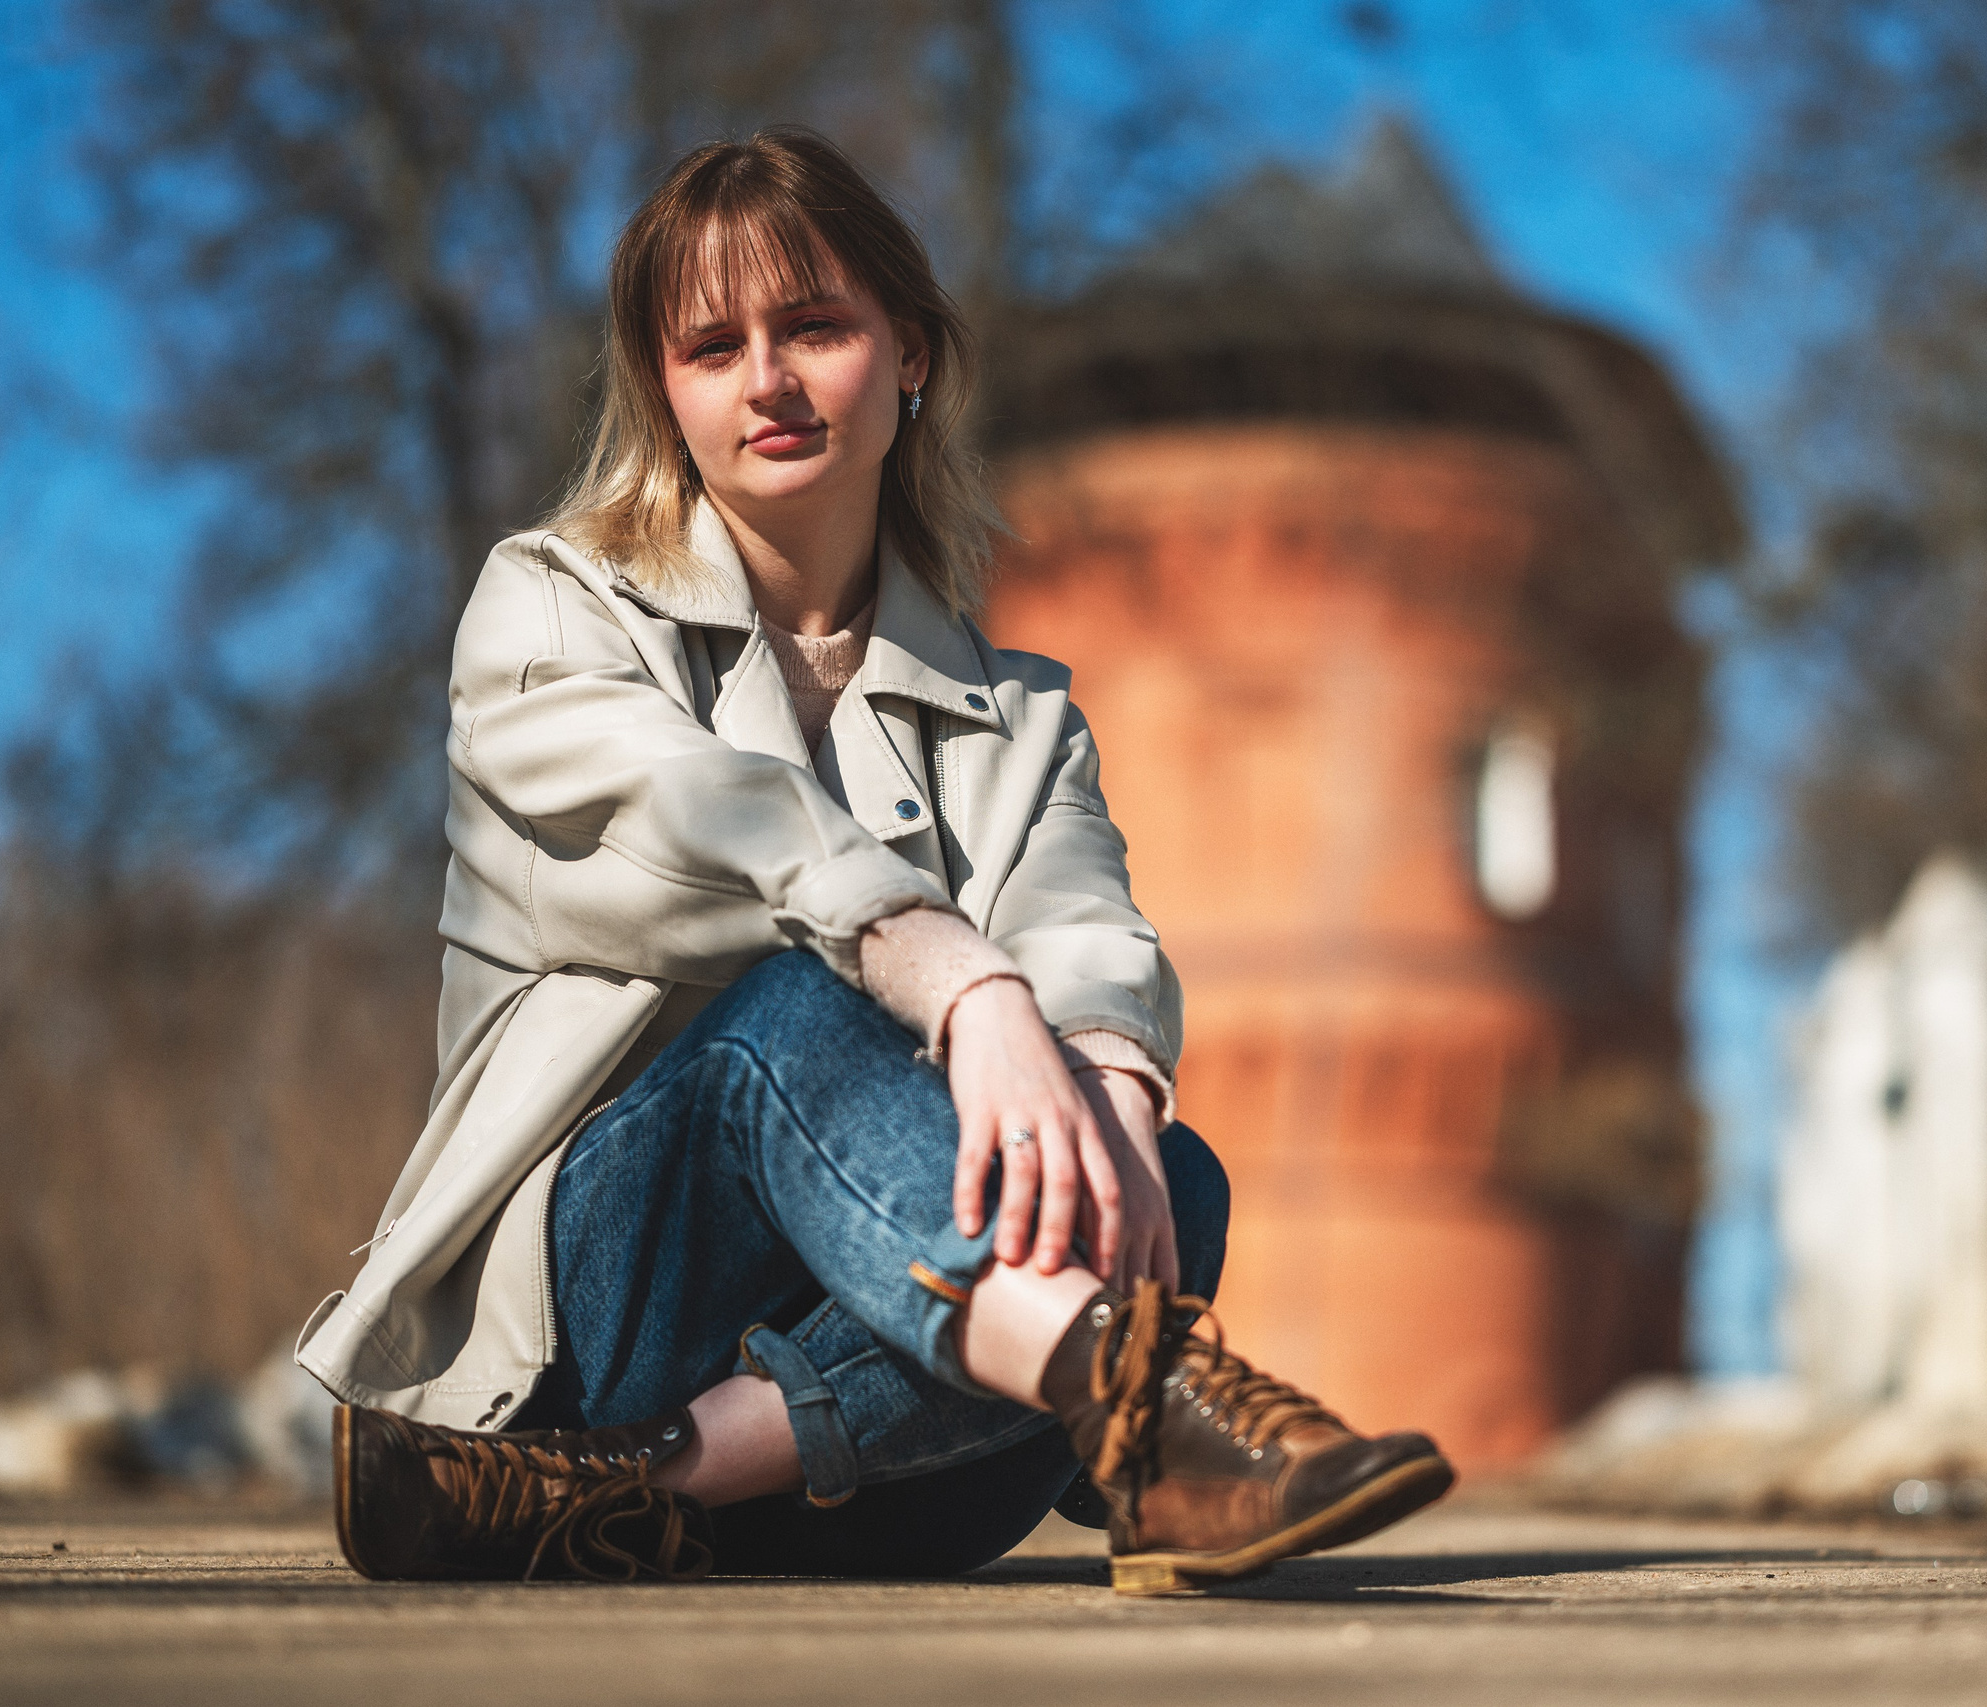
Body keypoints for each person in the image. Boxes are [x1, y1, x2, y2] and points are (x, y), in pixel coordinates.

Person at [296, 126, 1450, 1595]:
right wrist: (966, 987)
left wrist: (1101, 1078)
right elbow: (711, 823)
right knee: (797, 1006)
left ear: (908, 354)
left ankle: (637, 1492)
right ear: (668, 392)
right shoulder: (548, 616)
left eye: (816, 326)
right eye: (713, 346)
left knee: (1164, 1169)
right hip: (601, 1330)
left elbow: (1086, 925)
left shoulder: (1023, 715)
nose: (767, 378)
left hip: (884, 1474)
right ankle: (1132, 1399)